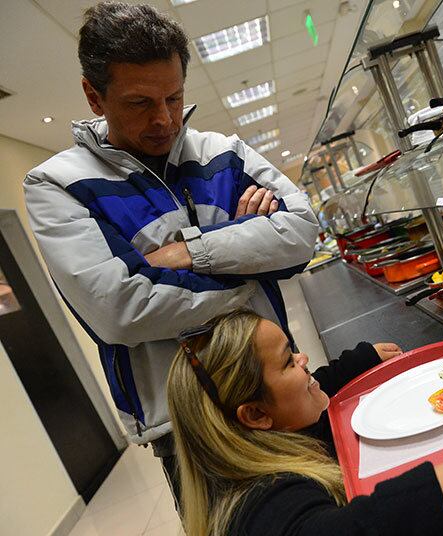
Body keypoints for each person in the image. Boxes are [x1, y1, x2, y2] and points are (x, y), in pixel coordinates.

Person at [23, 1, 318, 504]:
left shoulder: (225, 151)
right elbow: (122, 310)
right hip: (186, 429)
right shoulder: (57, 185)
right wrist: (251, 258)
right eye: (140, 103)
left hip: (278, 394)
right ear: (94, 96)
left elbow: (300, 235)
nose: (165, 120)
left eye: (174, 97)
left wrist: (192, 252)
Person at [167, 310, 443, 535]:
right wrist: (426, 500)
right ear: (255, 414)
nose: (304, 360)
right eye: (288, 361)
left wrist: (358, 362)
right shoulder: (255, 500)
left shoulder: (264, 433)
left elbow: (318, 381)